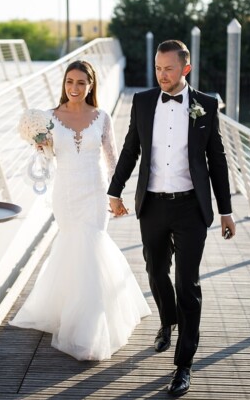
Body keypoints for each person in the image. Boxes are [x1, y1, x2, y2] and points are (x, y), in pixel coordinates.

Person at [107, 39, 236, 397]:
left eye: (169, 69)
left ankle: (184, 364)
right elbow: (131, 148)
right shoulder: (144, 101)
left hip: (191, 207)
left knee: (188, 284)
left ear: (185, 69)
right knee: (154, 270)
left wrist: (225, 210)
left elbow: (218, 160)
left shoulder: (206, 106)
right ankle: (167, 320)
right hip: (152, 204)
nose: (162, 75)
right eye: (158, 68)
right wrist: (114, 190)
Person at [10, 60, 151, 361]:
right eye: (69, 82)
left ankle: (90, 329)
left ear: (91, 85)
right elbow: (46, 160)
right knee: (74, 248)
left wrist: (116, 195)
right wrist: (41, 147)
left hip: (95, 192)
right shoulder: (48, 117)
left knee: (92, 247)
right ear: (64, 84)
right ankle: (73, 315)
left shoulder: (101, 117)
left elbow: (112, 158)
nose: (74, 88)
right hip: (66, 193)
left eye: (80, 83)